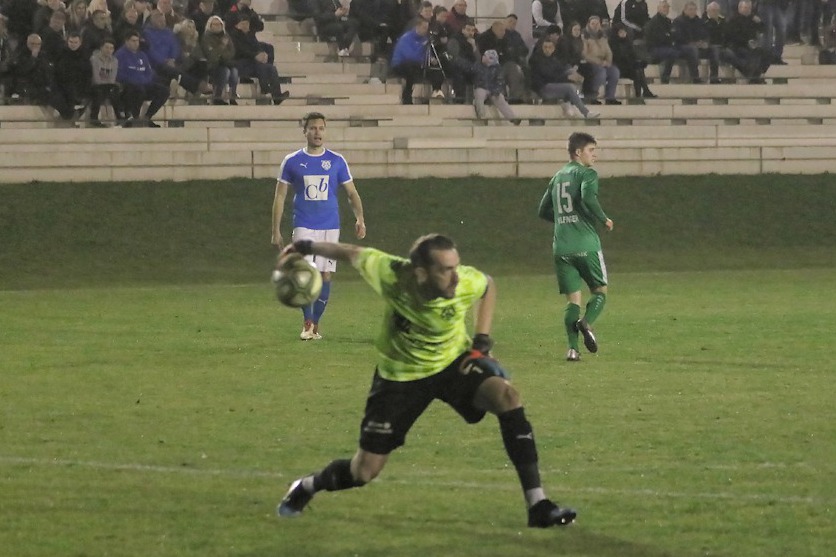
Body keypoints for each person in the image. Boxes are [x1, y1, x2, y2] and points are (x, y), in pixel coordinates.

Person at [276, 232, 578, 529]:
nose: (456, 277)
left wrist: (482, 342)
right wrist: (304, 246)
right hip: (400, 377)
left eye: (456, 267)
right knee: (364, 471)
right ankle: (307, 485)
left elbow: (488, 285)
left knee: (507, 396)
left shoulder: (463, 281)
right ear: (421, 272)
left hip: (452, 362)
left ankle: (538, 504)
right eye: (445, 270)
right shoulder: (392, 274)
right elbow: (351, 252)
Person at [271, 111, 367, 341]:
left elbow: (352, 193)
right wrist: (275, 230)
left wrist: (360, 218)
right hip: (303, 224)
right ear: (304, 131)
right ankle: (307, 323)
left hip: (330, 226)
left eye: (321, 128)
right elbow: (280, 196)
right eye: (313, 128)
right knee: (303, 272)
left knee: (325, 274)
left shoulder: (336, 161)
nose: (317, 132)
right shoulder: (292, 161)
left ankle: (315, 324)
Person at [537, 132, 613, 362]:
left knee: (573, 300)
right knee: (600, 291)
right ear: (578, 152)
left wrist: (563, 220)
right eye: (591, 150)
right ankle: (586, 322)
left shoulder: (557, 177)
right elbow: (588, 197)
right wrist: (603, 219)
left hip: (561, 247)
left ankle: (572, 350)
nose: (595, 155)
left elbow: (542, 210)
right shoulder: (587, 173)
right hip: (585, 244)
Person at [528, 36, 599, 118]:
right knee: (569, 87)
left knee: (572, 75)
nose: (547, 49)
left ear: (553, 49)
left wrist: (572, 73)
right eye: (545, 47)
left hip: (552, 85)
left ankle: (568, 106)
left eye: (550, 47)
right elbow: (549, 76)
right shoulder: (537, 59)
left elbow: (561, 70)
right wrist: (567, 77)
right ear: (542, 48)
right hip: (543, 87)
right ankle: (585, 112)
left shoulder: (554, 59)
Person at [228, 14, 289, 104]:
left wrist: (262, 54)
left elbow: (256, 46)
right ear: (237, 25)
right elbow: (240, 50)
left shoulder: (250, 35)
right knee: (261, 66)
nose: (245, 26)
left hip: (253, 64)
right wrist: (255, 56)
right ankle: (264, 86)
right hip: (240, 64)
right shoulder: (233, 36)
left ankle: (277, 96)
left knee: (272, 68)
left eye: (247, 24)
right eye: (243, 24)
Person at [115, 29, 170, 127]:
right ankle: (134, 117)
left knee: (164, 91)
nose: (136, 43)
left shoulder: (142, 55)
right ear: (126, 41)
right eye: (133, 41)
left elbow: (148, 72)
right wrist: (135, 80)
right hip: (129, 86)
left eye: (137, 41)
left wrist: (144, 80)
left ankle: (147, 117)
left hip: (144, 84)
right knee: (139, 90)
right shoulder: (120, 55)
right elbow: (119, 74)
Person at [644, 0, 702, 83]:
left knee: (690, 50)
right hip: (655, 48)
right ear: (658, 8)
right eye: (664, 7)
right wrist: (669, 37)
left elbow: (673, 35)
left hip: (669, 46)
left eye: (667, 7)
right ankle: (665, 79)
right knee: (671, 53)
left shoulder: (668, 21)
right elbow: (659, 38)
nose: (666, 9)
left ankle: (695, 78)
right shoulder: (653, 22)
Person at [390, 17, 436, 104]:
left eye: (427, 28)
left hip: (417, 64)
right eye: (424, 28)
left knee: (433, 70)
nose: (426, 30)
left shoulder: (425, 39)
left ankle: (431, 96)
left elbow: (427, 53)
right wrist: (423, 58)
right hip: (400, 64)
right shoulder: (406, 38)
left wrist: (431, 58)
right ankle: (407, 96)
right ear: (417, 27)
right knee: (411, 69)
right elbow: (409, 56)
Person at [674, 1, 722, 83]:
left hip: (698, 46)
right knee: (693, 49)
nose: (692, 11)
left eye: (694, 9)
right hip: (682, 47)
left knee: (714, 49)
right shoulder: (678, 21)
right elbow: (678, 37)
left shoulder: (699, 21)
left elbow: (706, 34)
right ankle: (695, 78)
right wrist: (693, 43)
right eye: (690, 9)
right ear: (685, 10)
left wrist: (705, 42)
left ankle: (714, 78)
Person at [609, 22, 656, 97]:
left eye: (624, 31)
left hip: (628, 67)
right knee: (637, 71)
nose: (623, 33)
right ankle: (642, 93)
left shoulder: (627, 41)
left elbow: (633, 55)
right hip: (619, 68)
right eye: (621, 32)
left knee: (639, 69)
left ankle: (641, 93)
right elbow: (618, 58)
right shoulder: (613, 43)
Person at [474, 49, 520, 125]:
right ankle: (481, 116)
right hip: (481, 87)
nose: (483, 57)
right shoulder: (478, 66)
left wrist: (496, 90)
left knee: (500, 99)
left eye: (485, 56)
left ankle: (512, 118)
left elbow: (500, 81)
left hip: (492, 89)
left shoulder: (497, 69)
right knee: (479, 95)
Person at [582, 15, 621, 105]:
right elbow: (585, 54)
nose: (595, 26)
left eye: (597, 24)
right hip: (591, 62)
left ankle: (610, 97)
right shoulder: (584, 37)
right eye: (593, 24)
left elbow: (608, 52)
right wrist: (599, 62)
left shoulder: (603, 37)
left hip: (603, 62)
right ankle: (593, 97)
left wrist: (608, 62)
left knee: (614, 72)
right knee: (601, 73)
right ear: (588, 24)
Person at [89, 36, 126, 126]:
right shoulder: (94, 59)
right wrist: (107, 85)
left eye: (111, 48)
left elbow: (112, 78)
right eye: (106, 47)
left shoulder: (114, 61)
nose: (109, 50)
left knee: (115, 89)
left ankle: (119, 117)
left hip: (109, 86)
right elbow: (96, 78)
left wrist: (108, 85)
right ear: (101, 47)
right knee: (99, 92)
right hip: (95, 85)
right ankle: (93, 118)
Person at [201, 14, 238, 104]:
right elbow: (212, 55)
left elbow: (232, 52)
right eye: (215, 24)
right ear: (210, 25)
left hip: (226, 63)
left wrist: (221, 55)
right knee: (225, 72)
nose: (218, 26)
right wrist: (222, 46)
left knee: (234, 72)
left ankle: (232, 96)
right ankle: (217, 97)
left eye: (219, 24)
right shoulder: (206, 37)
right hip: (212, 65)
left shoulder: (226, 36)